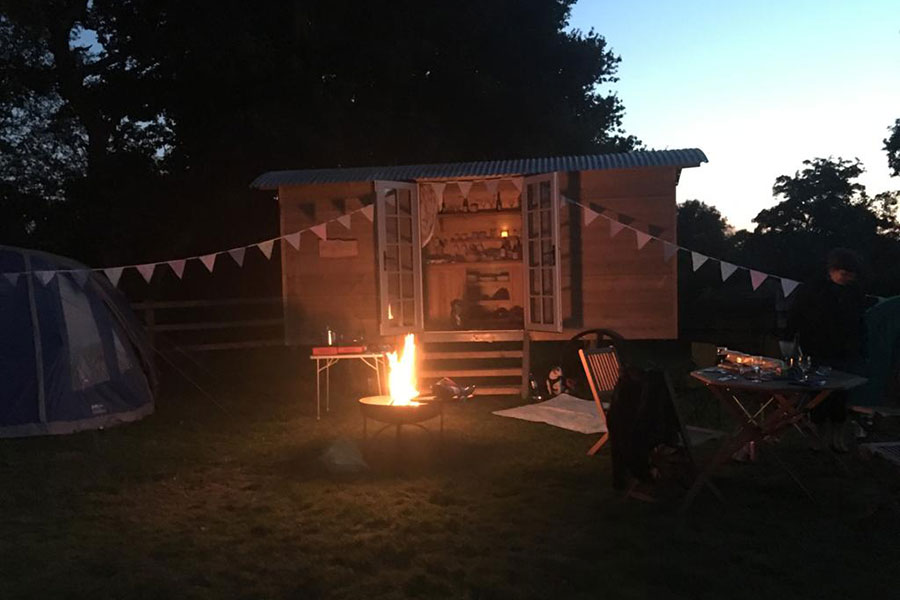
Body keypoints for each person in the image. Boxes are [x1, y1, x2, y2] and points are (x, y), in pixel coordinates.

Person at [786, 248, 867, 452]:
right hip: (817, 349)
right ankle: (818, 438)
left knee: (841, 395)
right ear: (832, 270)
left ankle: (837, 439)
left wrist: (860, 345)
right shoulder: (813, 289)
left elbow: (860, 321)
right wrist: (788, 340)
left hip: (846, 351)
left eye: (852, 274)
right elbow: (796, 315)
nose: (848, 277)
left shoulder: (855, 292)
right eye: (844, 272)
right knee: (819, 395)